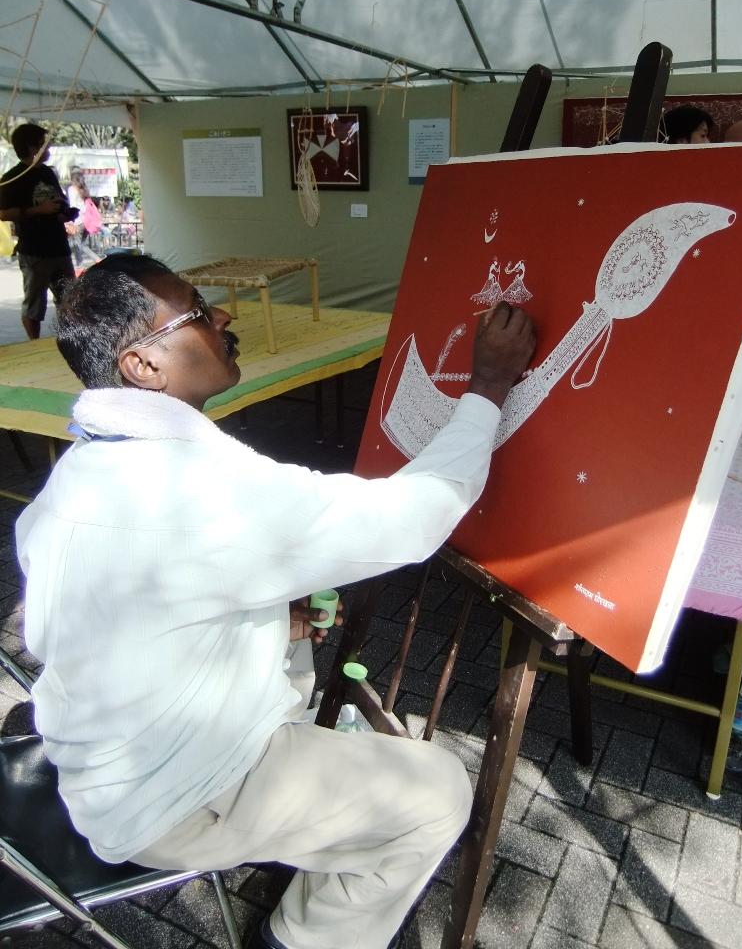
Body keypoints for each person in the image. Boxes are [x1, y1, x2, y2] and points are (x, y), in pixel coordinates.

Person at [16, 255, 536, 949]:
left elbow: (125, 617)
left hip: (102, 770)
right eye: (197, 312)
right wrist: (489, 386)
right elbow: (410, 519)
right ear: (142, 366)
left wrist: (258, 623)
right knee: (437, 792)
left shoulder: (77, 475)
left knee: (297, 663)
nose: (222, 316)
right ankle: (301, 938)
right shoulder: (200, 489)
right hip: (176, 795)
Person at [0, 123, 77, 338]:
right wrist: (38, 210)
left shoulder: (48, 173)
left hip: (59, 246)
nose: (49, 147)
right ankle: (34, 344)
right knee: (35, 305)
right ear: (32, 147)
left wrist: (65, 214)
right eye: (44, 143)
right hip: (34, 250)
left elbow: (57, 203)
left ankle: (70, 340)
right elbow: (4, 213)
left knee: (70, 299)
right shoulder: (13, 178)